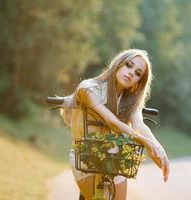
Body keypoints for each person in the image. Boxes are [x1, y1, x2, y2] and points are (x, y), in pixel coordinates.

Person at [60, 49, 170, 200]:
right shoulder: (88, 88)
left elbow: (139, 125)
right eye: (128, 65)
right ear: (118, 64)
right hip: (84, 156)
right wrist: (145, 142)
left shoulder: (130, 100)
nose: (131, 73)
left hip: (114, 158)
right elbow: (112, 122)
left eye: (138, 73)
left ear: (139, 81)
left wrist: (157, 148)